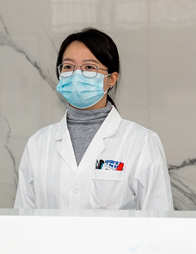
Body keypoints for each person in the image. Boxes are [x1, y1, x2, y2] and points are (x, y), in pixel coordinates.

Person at [14, 28, 173, 211]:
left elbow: (159, 220)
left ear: (111, 79)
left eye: (89, 67)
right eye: (68, 67)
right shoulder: (38, 144)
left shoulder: (141, 143)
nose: (76, 75)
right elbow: (22, 219)